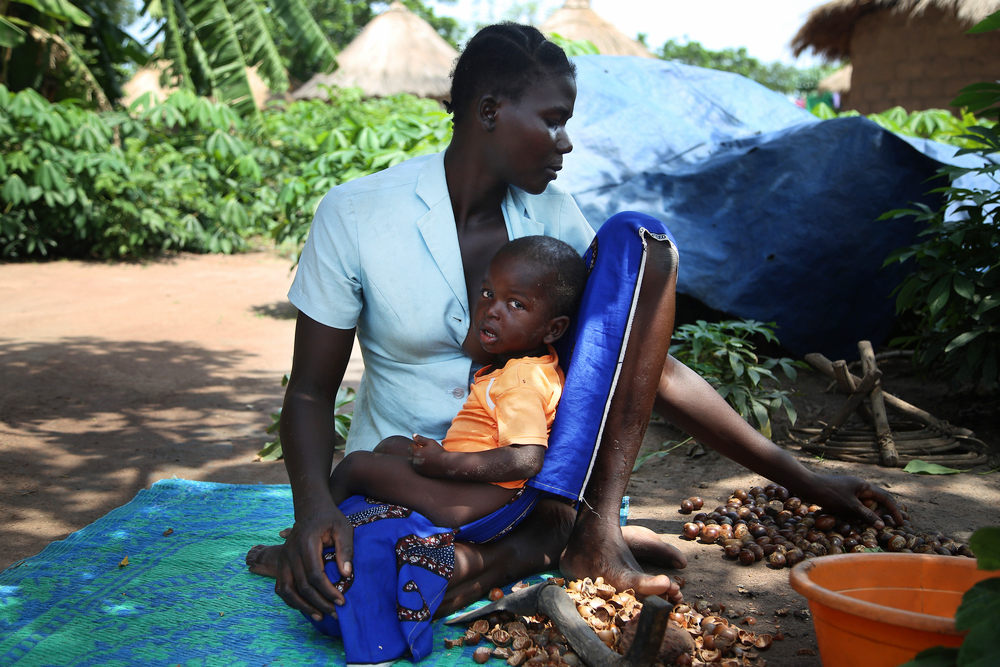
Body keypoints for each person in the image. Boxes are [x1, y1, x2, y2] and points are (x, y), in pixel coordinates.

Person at [247, 21, 902, 626]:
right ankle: (544, 545)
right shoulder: (357, 214)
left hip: (523, 489)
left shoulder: (554, 222)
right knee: (346, 597)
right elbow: (308, 391)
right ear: (489, 112)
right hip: (407, 485)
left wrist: (806, 480)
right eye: (554, 120)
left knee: (640, 243)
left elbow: (645, 365)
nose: (566, 142)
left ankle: (571, 533)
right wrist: (315, 511)